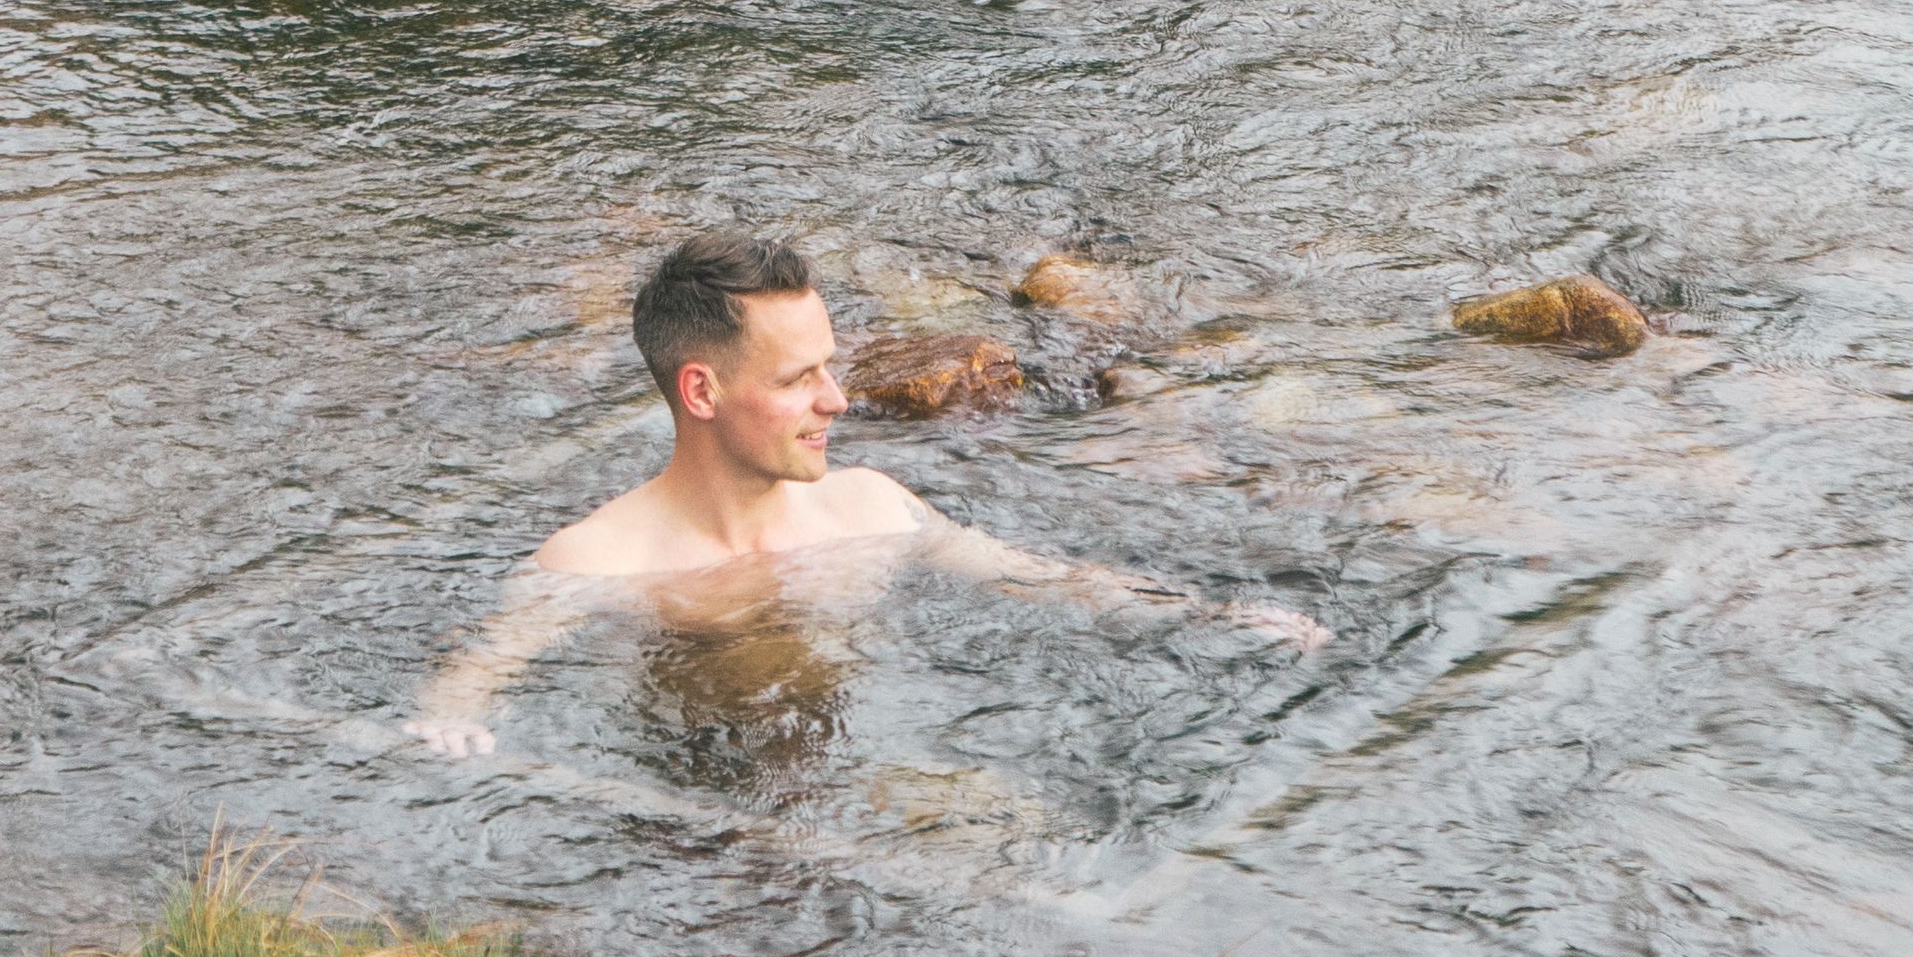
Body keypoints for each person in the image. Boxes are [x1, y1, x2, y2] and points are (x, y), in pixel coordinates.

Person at [409, 225, 1315, 756]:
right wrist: (454, 725)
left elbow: (1041, 577)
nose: (837, 399)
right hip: (683, 807)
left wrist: (1209, 616)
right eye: (800, 377)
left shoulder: (871, 506)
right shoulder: (597, 561)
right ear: (701, 390)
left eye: (830, 366)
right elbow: (473, 677)